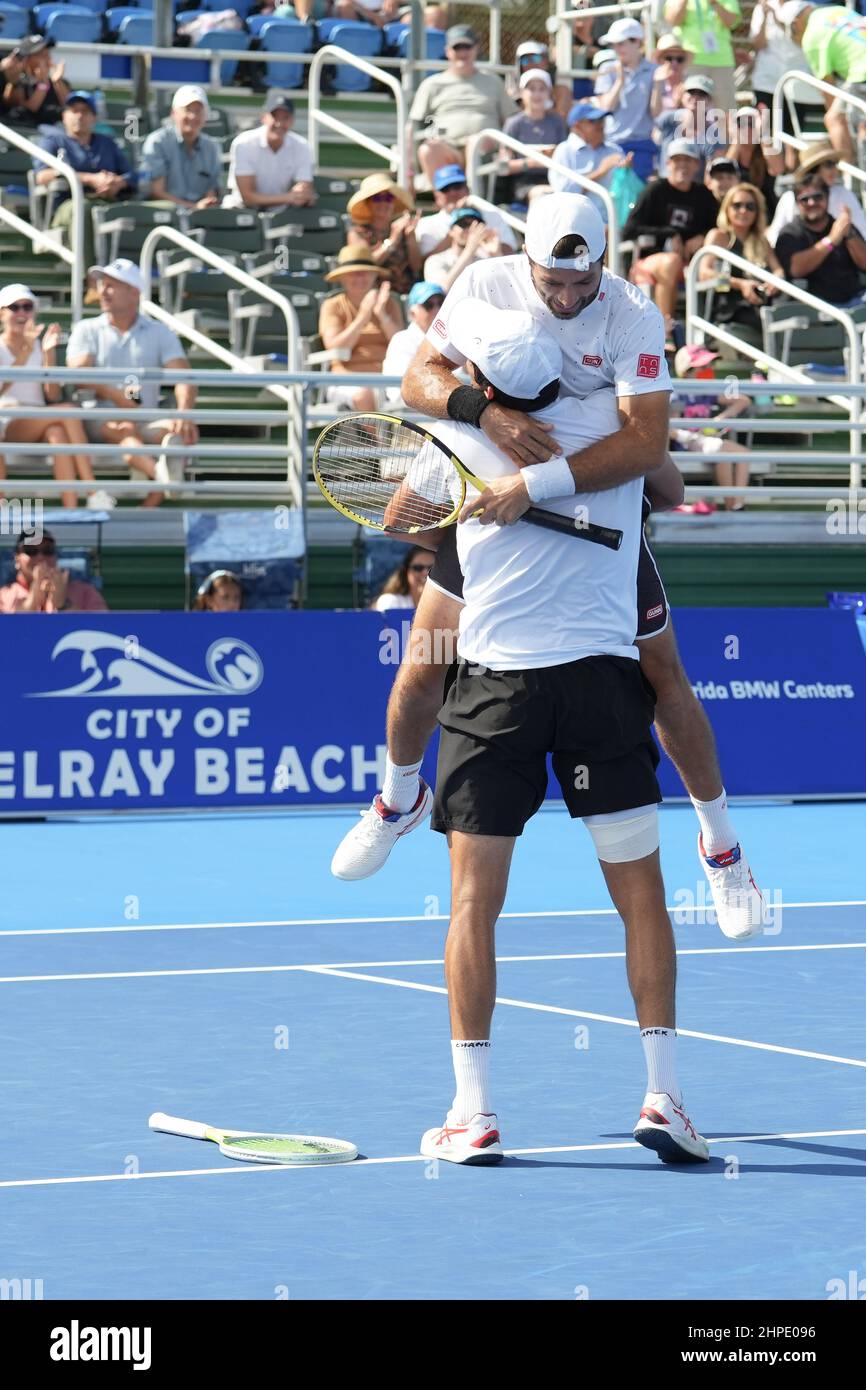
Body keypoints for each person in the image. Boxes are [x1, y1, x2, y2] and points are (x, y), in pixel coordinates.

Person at [333, 194, 765, 946]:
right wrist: (480, 416)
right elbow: (418, 385)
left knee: (667, 685)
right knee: (420, 671)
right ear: (524, 265)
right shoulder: (481, 297)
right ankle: (398, 800)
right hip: (488, 546)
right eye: (551, 284)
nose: (567, 298)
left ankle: (722, 848)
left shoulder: (631, 313)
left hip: (602, 533)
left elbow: (654, 459)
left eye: (581, 281)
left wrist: (530, 487)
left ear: (601, 260)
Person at [400, 299, 709, 1166]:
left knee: (472, 903)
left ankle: (474, 1113)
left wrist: (488, 484)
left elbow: (397, 520)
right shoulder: (623, 431)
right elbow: (672, 489)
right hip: (602, 684)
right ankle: (666, 1096)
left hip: (497, 686)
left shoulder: (458, 443)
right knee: (640, 893)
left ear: (490, 379)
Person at [66, 259, 199, 508]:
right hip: (99, 416)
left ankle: (150, 503)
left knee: (179, 433)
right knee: (125, 429)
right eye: (102, 285)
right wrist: (112, 394)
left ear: (134, 292)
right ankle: (164, 481)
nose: (102, 291)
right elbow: (76, 374)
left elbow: (184, 377)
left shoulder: (159, 332)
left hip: (143, 416)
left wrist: (184, 414)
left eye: (111, 286)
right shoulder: (87, 329)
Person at [0, 283, 100, 511]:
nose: (22, 313)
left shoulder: (39, 345)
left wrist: (48, 356)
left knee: (58, 434)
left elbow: (51, 395)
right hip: (7, 421)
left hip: (37, 418)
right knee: (68, 411)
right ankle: (93, 489)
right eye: (15, 307)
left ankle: (71, 510)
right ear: (1, 313)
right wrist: (26, 350)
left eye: (27, 307)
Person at [33, 92, 137, 270]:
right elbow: (41, 176)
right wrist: (90, 179)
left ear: (94, 118)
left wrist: (115, 183)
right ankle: (89, 279)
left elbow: (132, 176)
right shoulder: (53, 140)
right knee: (83, 209)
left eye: (85, 111)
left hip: (107, 201)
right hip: (67, 206)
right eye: (74, 110)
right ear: (64, 116)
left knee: (137, 211)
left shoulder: (106, 143)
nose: (79, 115)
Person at [624, 140, 720, 319]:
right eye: (677, 160)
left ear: (697, 165)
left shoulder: (704, 195)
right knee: (671, 262)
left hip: (691, 264)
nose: (682, 165)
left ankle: (708, 328)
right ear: (668, 163)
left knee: (715, 271)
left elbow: (719, 227)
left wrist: (702, 236)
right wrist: (669, 233)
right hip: (650, 260)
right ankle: (664, 330)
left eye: (688, 160)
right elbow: (630, 229)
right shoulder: (655, 190)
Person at [408, 25, 512, 184]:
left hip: (487, 149)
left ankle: (472, 199)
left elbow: (511, 119)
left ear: (476, 49)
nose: (462, 53)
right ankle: (444, 201)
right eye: (457, 47)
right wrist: (408, 168)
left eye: (467, 47)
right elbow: (412, 126)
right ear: (447, 51)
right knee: (428, 150)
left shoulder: (494, 81)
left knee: (474, 141)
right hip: (448, 148)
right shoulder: (432, 84)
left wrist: (507, 147)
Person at [318, 245, 404, 410]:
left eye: (365, 271)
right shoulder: (332, 305)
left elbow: (400, 344)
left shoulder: (390, 303)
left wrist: (381, 315)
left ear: (374, 275)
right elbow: (336, 347)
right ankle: (378, 438)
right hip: (346, 380)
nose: (359, 277)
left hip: (387, 377)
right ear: (342, 278)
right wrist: (363, 316)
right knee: (364, 394)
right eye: (353, 273)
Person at [672, 343, 753, 510]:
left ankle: (738, 506)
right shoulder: (676, 392)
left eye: (709, 365)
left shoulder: (706, 391)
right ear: (687, 371)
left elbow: (743, 400)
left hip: (706, 441)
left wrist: (719, 419)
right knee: (721, 451)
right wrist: (689, 436)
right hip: (686, 443)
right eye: (703, 366)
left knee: (743, 453)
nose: (709, 369)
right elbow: (669, 429)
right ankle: (732, 507)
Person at [781, 2, 866, 160]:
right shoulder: (838, 10)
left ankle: (849, 178)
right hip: (860, 73)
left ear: (796, 21)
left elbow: (828, 91)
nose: (794, 34)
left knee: (833, 118)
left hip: (862, 74)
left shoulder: (811, 37)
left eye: (792, 29)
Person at [699, 183, 785, 330]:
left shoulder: (761, 241)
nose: (744, 211)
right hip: (729, 307)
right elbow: (703, 274)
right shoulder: (719, 236)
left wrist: (774, 282)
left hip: (760, 303)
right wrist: (740, 284)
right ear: (727, 208)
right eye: (737, 205)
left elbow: (779, 271)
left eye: (750, 206)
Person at [774, 170, 866, 306]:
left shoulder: (842, 226)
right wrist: (830, 241)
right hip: (814, 307)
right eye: (804, 199)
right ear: (797, 204)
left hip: (856, 299)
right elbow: (796, 269)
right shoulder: (790, 232)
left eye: (817, 197)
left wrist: (849, 235)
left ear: (827, 198)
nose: (811, 203)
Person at [750, 0, 822, 168]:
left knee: (792, 139)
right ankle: (775, 176)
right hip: (766, 82)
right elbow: (758, 44)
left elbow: (802, 41)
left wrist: (777, 20)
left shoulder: (805, 8)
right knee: (766, 135)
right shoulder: (760, 9)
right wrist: (765, 16)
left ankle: (794, 177)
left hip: (796, 84)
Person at [592, 16, 658, 180]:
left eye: (621, 43)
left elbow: (656, 112)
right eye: (614, 44)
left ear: (637, 42)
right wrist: (620, 81)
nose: (616, 48)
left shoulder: (654, 71)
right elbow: (605, 107)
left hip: (642, 144)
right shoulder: (608, 69)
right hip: (612, 144)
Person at [224, 92, 315, 210]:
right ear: (263, 118)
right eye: (275, 116)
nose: (279, 123)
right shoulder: (243, 143)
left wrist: (301, 194)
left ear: (292, 121)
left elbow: (304, 190)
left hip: (282, 212)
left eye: (285, 117)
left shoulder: (302, 146)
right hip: (241, 210)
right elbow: (247, 197)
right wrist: (289, 197)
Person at [140, 85, 222, 210]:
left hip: (201, 215)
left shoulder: (212, 147)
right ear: (174, 113)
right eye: (188, 110)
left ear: (205, 116)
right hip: (166, 214)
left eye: (198, 111)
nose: (193, 116)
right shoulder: (157, 142)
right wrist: (193, 207)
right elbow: (156, 192)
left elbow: (211, 191)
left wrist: (206, 205)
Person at [767, 143, 866, 246]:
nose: (835, 170)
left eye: (835, 164)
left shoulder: (844, 194)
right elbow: (775, 236)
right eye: (829, 164)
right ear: (814, 169)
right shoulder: (789, 198)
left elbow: (863, 232)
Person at [416, 164, 517, 262]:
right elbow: (424, 265)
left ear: (467, 189)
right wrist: (454, 237)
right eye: (445, 189)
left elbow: (511, 254)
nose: (453, 193)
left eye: (457, 186)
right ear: (437, 197)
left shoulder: (491, 214)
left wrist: (485, 237)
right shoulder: (427, 224)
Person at [345, 173, 422, 296]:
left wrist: (411, 237)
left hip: (408, 294)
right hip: (374, 295)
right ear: (368, 204)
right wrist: (392, 241)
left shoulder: (402, 229)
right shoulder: (357, 233)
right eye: (377, 198)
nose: (383, 203)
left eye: (388, 198)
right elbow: (365, 265)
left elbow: (417, 267)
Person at [548, 102, 630, 217]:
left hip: (612, 221)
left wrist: (627, 172)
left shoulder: (614, 150)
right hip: (576, 223)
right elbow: (562, 192)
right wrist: (599, 172)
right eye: (593, 121)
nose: (600, 125)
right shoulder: (564, 151)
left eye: (601, 120)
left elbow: (624, 191)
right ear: (577, 126)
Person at [499, 70, 567, 203]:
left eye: (542, 89)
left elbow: (565, 156)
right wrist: (531, 163)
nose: (537, 94)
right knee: (543, 196)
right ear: (522, 93)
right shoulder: (513, 123)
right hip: (523, 182)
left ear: (549, 93)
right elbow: (504, 165)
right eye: (531, 89)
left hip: (555, 179)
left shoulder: (557, 122)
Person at [664, 0, 741, 117]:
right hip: (691, 60)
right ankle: (690, 135)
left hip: (722, 60)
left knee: (726, 112)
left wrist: (715, 3)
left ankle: (725, 136)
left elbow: (731, 22)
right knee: (691, 108)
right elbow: (673, 20)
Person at [0, 530, 107, 613]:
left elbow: (103, 627)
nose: (40, 557)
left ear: (56, 556)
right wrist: (32, 601)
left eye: (48, 550)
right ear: (17, 558)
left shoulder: (85, 591)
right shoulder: (4, 596)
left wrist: (63, 604)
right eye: (31, 551)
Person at [654, 74, 728, 177]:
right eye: (691, 92)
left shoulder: (714, 133)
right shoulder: (667, 120)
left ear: (710, 100)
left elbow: (715, 167)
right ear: (683, 95)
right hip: (664, 184)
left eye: (702, 94)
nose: (696, 97)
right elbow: (653, 142)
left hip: (694, 189)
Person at [382, 281, 445, 402]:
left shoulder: (453, 338)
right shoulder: (402, 340)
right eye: (429, 305)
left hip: (448, 413)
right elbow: (400, 394)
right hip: (413, 415)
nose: (437, 310)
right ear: (412, 313)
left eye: (441, 303)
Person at [423, 207, 504, 291]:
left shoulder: (485, 259)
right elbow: (443, 290)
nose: (470, 230)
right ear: (451, 231)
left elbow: (505, 287)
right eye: (464, 224)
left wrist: (497, 255)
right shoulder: (435, 260)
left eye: (476, 224)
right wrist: (469, 250)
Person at [0, 35, 70, 130]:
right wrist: (43, 83)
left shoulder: (57, 81)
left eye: (47, 53)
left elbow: (70, 107)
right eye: (41, 55)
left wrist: (57, 81)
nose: (47, 58)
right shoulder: (18, 81)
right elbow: (29, 108)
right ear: (26, 59)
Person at [372, 545, 436, 612]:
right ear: (406, 572)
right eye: (418, 568)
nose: (425, 573)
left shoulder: (446, 605)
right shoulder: (391, 602)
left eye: (432, 568)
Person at [650, 32, 693, 118]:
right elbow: (655, 114)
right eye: (669, 58)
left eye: (679, 59)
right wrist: (657, 85)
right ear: (660, 61)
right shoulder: (652, 81)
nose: (674, 63)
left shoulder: (691, 84)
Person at [335, 0, 400, 23]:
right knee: (345, 7)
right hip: (357, 15)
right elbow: (345, 3)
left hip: (387, 16)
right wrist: (373, 17)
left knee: (408, 19)